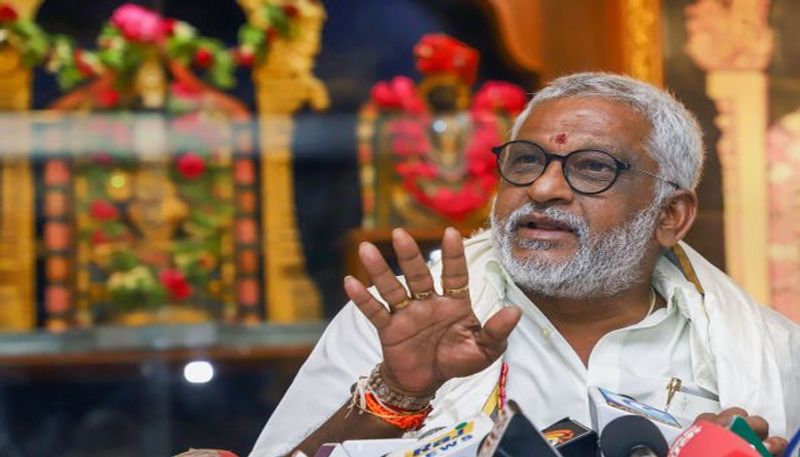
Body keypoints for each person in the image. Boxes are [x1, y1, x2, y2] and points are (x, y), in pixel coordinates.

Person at [249, 73, 800, 457]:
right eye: (527, 160)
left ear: (670, 215)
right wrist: (397, 393)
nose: (542, 187)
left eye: (591, 168)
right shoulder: (408, 319)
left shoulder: (770, 355)